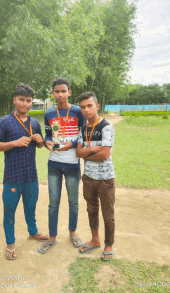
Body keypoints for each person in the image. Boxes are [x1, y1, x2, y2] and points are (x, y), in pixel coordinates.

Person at [0, 83, 48, 260]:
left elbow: (40, 145)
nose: (25, 104)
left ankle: (33, 232)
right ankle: (10, 242)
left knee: (30, 208)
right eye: (22, 100)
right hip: (12, 177)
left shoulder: (34, 123)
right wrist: (14, 143)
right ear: (14, 100)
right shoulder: (4, 122)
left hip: (31, 175)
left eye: (29, 101)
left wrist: (40, 141)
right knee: (9, 211)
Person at [38, 78, 85, 254]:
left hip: (73, 164)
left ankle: (72, 232)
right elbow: (48, 135)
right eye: (57, 91)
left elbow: (82, 136)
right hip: (54, 164)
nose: (60, 94)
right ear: (53, 93)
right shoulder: (49, 113)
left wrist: (70, 145)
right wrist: (47, 143)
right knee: (53, 202)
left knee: (73, 202)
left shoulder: (77, 112)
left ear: (69, 93)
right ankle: (52, 236)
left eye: (63, 91)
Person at [76, 91, 115, 261]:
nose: (86, 110)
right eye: (83, 107)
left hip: (105, 179)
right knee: (91, 210)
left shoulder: (106, 126)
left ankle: (109, 245)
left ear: (97, 106)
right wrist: (91, 150)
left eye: (89, 106)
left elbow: (105, 155)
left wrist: (85, 153)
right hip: (88, 177)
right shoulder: (83, 129)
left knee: (107, 213)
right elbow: (78, 152)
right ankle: (95, 239)